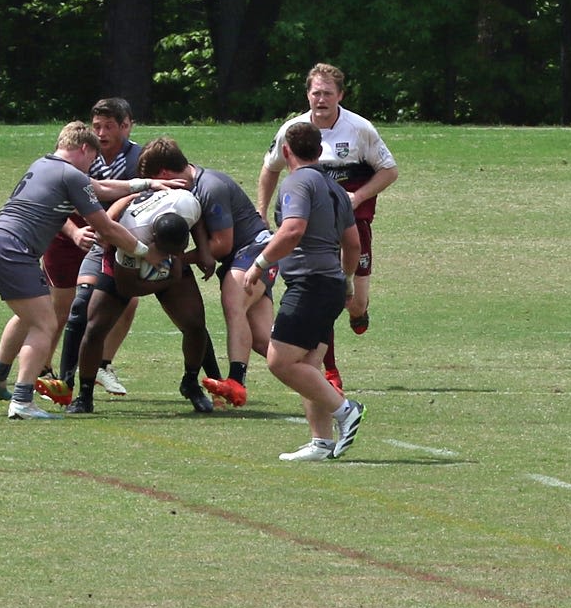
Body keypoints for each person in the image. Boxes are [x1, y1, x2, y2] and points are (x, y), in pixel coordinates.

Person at [0, 123, 142, 421]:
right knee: (45, 324)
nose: (92, 167)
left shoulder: (43, 164)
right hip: (12, 250)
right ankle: (22, 401)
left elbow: (98, 187)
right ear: (84, 149)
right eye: (92, 159)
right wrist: (144, 252)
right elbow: (105, 226)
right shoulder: (70, 174)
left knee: (30, 313)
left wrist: (144, 183)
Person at [256, 64, 396, 380]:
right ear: (308, 94)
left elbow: (389, 171)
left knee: (354, 302)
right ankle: (328, 370)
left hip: (352, 225)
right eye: (316, 92)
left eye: (327, 93)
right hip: (314, 232)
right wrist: (261, 213)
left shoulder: (360, 129)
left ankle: (359, 313)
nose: (321, 99)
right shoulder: (293, 131)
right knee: (323, 294)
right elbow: (270, 168)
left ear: (340, 96)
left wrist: (356, 198)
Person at [56, 181, 240, 416]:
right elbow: (126, 287)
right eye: (164, 252)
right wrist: (169, 280)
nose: (168, 256)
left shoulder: (186, 204)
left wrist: (202, 250)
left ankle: (191, 383)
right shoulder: (132, 234)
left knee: (194, 324)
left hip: (168, 259)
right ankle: (85, 395)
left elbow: (197, 221)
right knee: (95, 327)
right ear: (154, 238)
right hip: (127, 259)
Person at [246, 118, 364, 460]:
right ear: (319, 150)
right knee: (310, 363)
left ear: (286, 151)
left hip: (309, 285)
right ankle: (321, 442)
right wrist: (345, 281)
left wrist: (259, 265)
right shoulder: (336, 189)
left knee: (279, 361)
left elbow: (293, 229)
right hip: (330, 285)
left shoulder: (296, 183)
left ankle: (346, 410)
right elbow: (353, 244)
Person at [124, 137, 272, 397]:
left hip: (254, 250)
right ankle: (314, 378)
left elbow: (222, 245)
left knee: (233, 301)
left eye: (156, 182)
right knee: (263, 341)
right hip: (239, 257)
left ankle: (236, 382)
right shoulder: (190, 187)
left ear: (165, 174)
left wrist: (177, 260)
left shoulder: (209, 187)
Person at [50, 98, 148, 399]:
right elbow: (55, 203)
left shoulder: (140, 158)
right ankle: (45, 371)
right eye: (97, 127)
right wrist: (74, 230)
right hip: (73, 237)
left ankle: (102, 364)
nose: (101, 133)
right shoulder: (81, 154)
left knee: (126, 302)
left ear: (127, 125)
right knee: (63, 309)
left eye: (108, 126)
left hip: (109, 239)